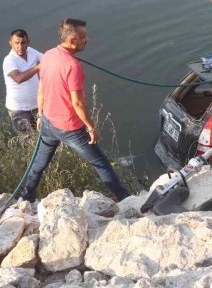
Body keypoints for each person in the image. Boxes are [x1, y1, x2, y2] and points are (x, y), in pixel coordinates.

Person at [20, 19, 130, 203]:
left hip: (48, 122)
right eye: (83, 37)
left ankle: (27, 195)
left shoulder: (48, 55)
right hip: (70, 127)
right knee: (100, 163)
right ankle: (123, 197)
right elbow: (77, 103)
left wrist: (40, 114)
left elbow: (42, 89)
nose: (87, 39)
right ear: (72, 40)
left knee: (39, 163)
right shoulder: (73, 66)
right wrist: (90, 127)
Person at [2, 29, 42, 132]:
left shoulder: (32, 52)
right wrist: (38, 67)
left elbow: (46, 59)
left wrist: (60, 55)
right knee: (28, 140)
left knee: (45, 136)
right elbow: (18, 78)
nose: (20, 46)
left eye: (23, 43)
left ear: (28, 42)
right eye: (16, 43)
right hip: (19, 110)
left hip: (37, 106)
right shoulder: (9, 60)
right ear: (10, 43)